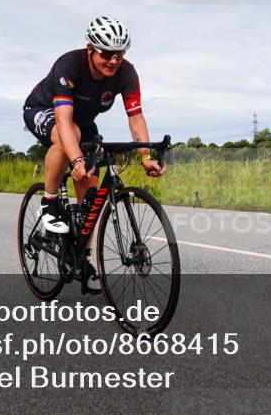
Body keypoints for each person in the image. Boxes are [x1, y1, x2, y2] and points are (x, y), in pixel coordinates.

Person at [23, 16, 165, 290]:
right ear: (90, 49)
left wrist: (145, 157)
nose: (114, 60)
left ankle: (81, 260)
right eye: (107, 53)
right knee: (71, 136)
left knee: (90, 195)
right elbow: (64, 122)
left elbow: (135, 117)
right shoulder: (70, 65)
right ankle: (50, 201)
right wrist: (75, 159)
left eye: (119, 54)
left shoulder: (127, 73)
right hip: (44, 111)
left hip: (85, 123)